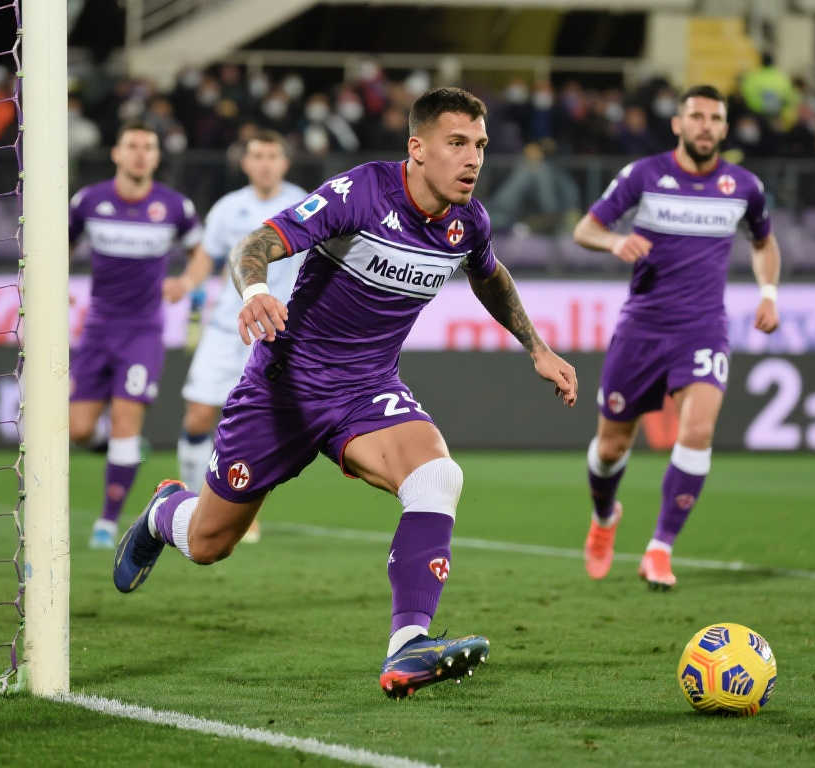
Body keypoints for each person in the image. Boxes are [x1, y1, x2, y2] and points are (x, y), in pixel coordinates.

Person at [112, 87, 578, 698]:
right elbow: (256, 245)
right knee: (208, 543)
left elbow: (488, 274)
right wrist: (257, 291)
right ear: (417, 148)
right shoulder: (361, 193)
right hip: (285, 389)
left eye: (481, 145)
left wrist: (537, 347)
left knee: (437, 475)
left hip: (365, 390)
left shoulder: (468, 223)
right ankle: (162, 512)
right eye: (457, 143)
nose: (473, 159)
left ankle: (408, 645)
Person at [572, 85, 781, 590]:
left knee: (698, 432)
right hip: (641, 330)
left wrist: (769, 292)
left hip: (703, 329)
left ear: (725, 128)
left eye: (715, 118)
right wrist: (615, 241)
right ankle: (604, 517)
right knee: (610, 447)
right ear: (678, 124)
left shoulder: (744, 186)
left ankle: (660, 549)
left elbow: (764, 242)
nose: (706, 126)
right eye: (697, 116)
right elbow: (585, 229)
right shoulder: (644, 175)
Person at [69, 121, 208, 549]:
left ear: (156, 157)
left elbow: (200, 251)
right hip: (97, 329)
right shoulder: (89, 202)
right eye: (132, 145)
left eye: (148, 147)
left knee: (126, 422)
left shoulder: (173, 206)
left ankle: (107, 523)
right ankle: (124, 449)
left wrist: (187, 282)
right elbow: (57, 247)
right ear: (116, 153)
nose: (140, 153)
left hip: (143, 332)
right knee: (77, 429)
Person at [177, 130, 307, 543]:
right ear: (246, 163)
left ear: (284, 162)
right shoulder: (228, 207)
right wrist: (186, 283)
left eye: (272, 155)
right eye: (257, 156)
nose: (265, 163)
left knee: (259, 428)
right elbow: (206, 256)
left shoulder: (304, 204)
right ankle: (192, 504)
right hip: (225, 328)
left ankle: (240, 513)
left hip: (276, 334)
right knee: (199, 415)